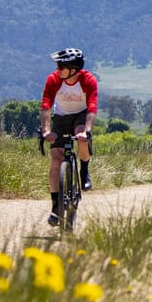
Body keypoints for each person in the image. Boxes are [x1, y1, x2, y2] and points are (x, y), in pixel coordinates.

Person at [40, 47, 98, 224]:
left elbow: (92, 107)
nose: (58, 69)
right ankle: (55, 206)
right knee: (56, 159)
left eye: (61, 66)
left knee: (81, 136)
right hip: (61, 117)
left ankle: (84, 171)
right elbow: (45, 106)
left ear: (73, 69)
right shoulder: (54, 79)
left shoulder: (88, 80)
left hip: (81, 115)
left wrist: (86, 131)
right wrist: (46, 131)